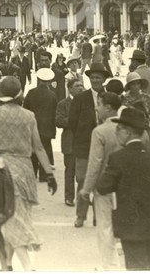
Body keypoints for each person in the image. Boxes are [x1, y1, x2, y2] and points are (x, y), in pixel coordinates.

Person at [0, 76, 57, 271]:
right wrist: (49, 174)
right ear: (19, 94)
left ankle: (27, 267)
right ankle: (6, 265)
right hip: (25, 171)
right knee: (17, 218)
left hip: (3, 169)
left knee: (11, 220)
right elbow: (39, 148)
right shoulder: (29, 115)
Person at [96, 107, 150, 270]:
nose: (116, 133)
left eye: (119, 129)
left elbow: (103, 186)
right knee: (146, 266)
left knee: (136, 267)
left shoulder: (118, 158)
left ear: (128, 132)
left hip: (131, 224)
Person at [79, 91, 150, 270]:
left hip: (105, 187)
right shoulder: (136, 131)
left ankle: (108, 266)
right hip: (130, 187)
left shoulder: (100, 131)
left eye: (99, 104)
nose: (97, 108)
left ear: (108, 108)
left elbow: (94, 164)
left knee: (105, 226)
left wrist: (86, 189)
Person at [68, 62, 108, 228]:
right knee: (83, 181)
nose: (95, 81)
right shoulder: (80, 98)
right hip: (84, 147)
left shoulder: (110, 97)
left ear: (104, 79)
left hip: (105, 148)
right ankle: (80, 215)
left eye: (98, 78)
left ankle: (98, 216)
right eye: (92, 78)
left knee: (102, 183)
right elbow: (72, 122)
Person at [23, 68, 58, 182]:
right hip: (47, 127)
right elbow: (55, 112)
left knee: (33, 150)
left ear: (38, 79)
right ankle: (43, 175)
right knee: (45, 150)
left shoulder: (31, 92)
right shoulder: (52, 95)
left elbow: (25, 109)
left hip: (32, 126)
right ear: (49, 81)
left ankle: (33, 173)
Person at [55, 78, 84, 207]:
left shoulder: (87, 102)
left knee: (83, 172)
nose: (80, 88)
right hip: (70, 142)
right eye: (77, 86)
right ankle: (69, 197)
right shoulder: (63, 104)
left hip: (84, 142)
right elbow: (59, 121)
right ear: (70, 88)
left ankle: (82, 197)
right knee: (70, 171)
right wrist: (75, 119)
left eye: (81, 86)